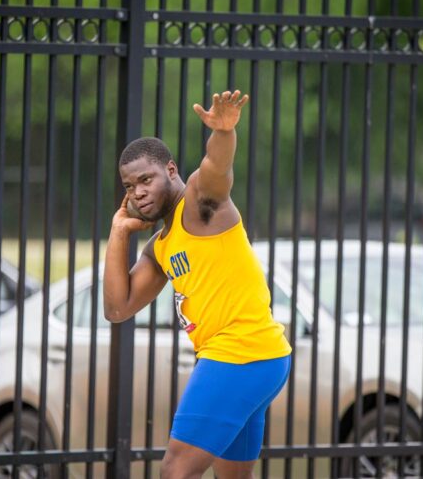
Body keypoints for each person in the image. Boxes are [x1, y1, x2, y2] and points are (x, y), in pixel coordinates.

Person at [104, 90, 292, 479]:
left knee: (175, 471)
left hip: (240, 353)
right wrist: (118, 231)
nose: (137, 192)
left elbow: (216, 168)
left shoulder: (200, 203)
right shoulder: (161, 247)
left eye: (145, 180)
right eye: (129, 186)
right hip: (262, 359)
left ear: (170, 171)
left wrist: (224, 132)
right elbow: (116, 308)